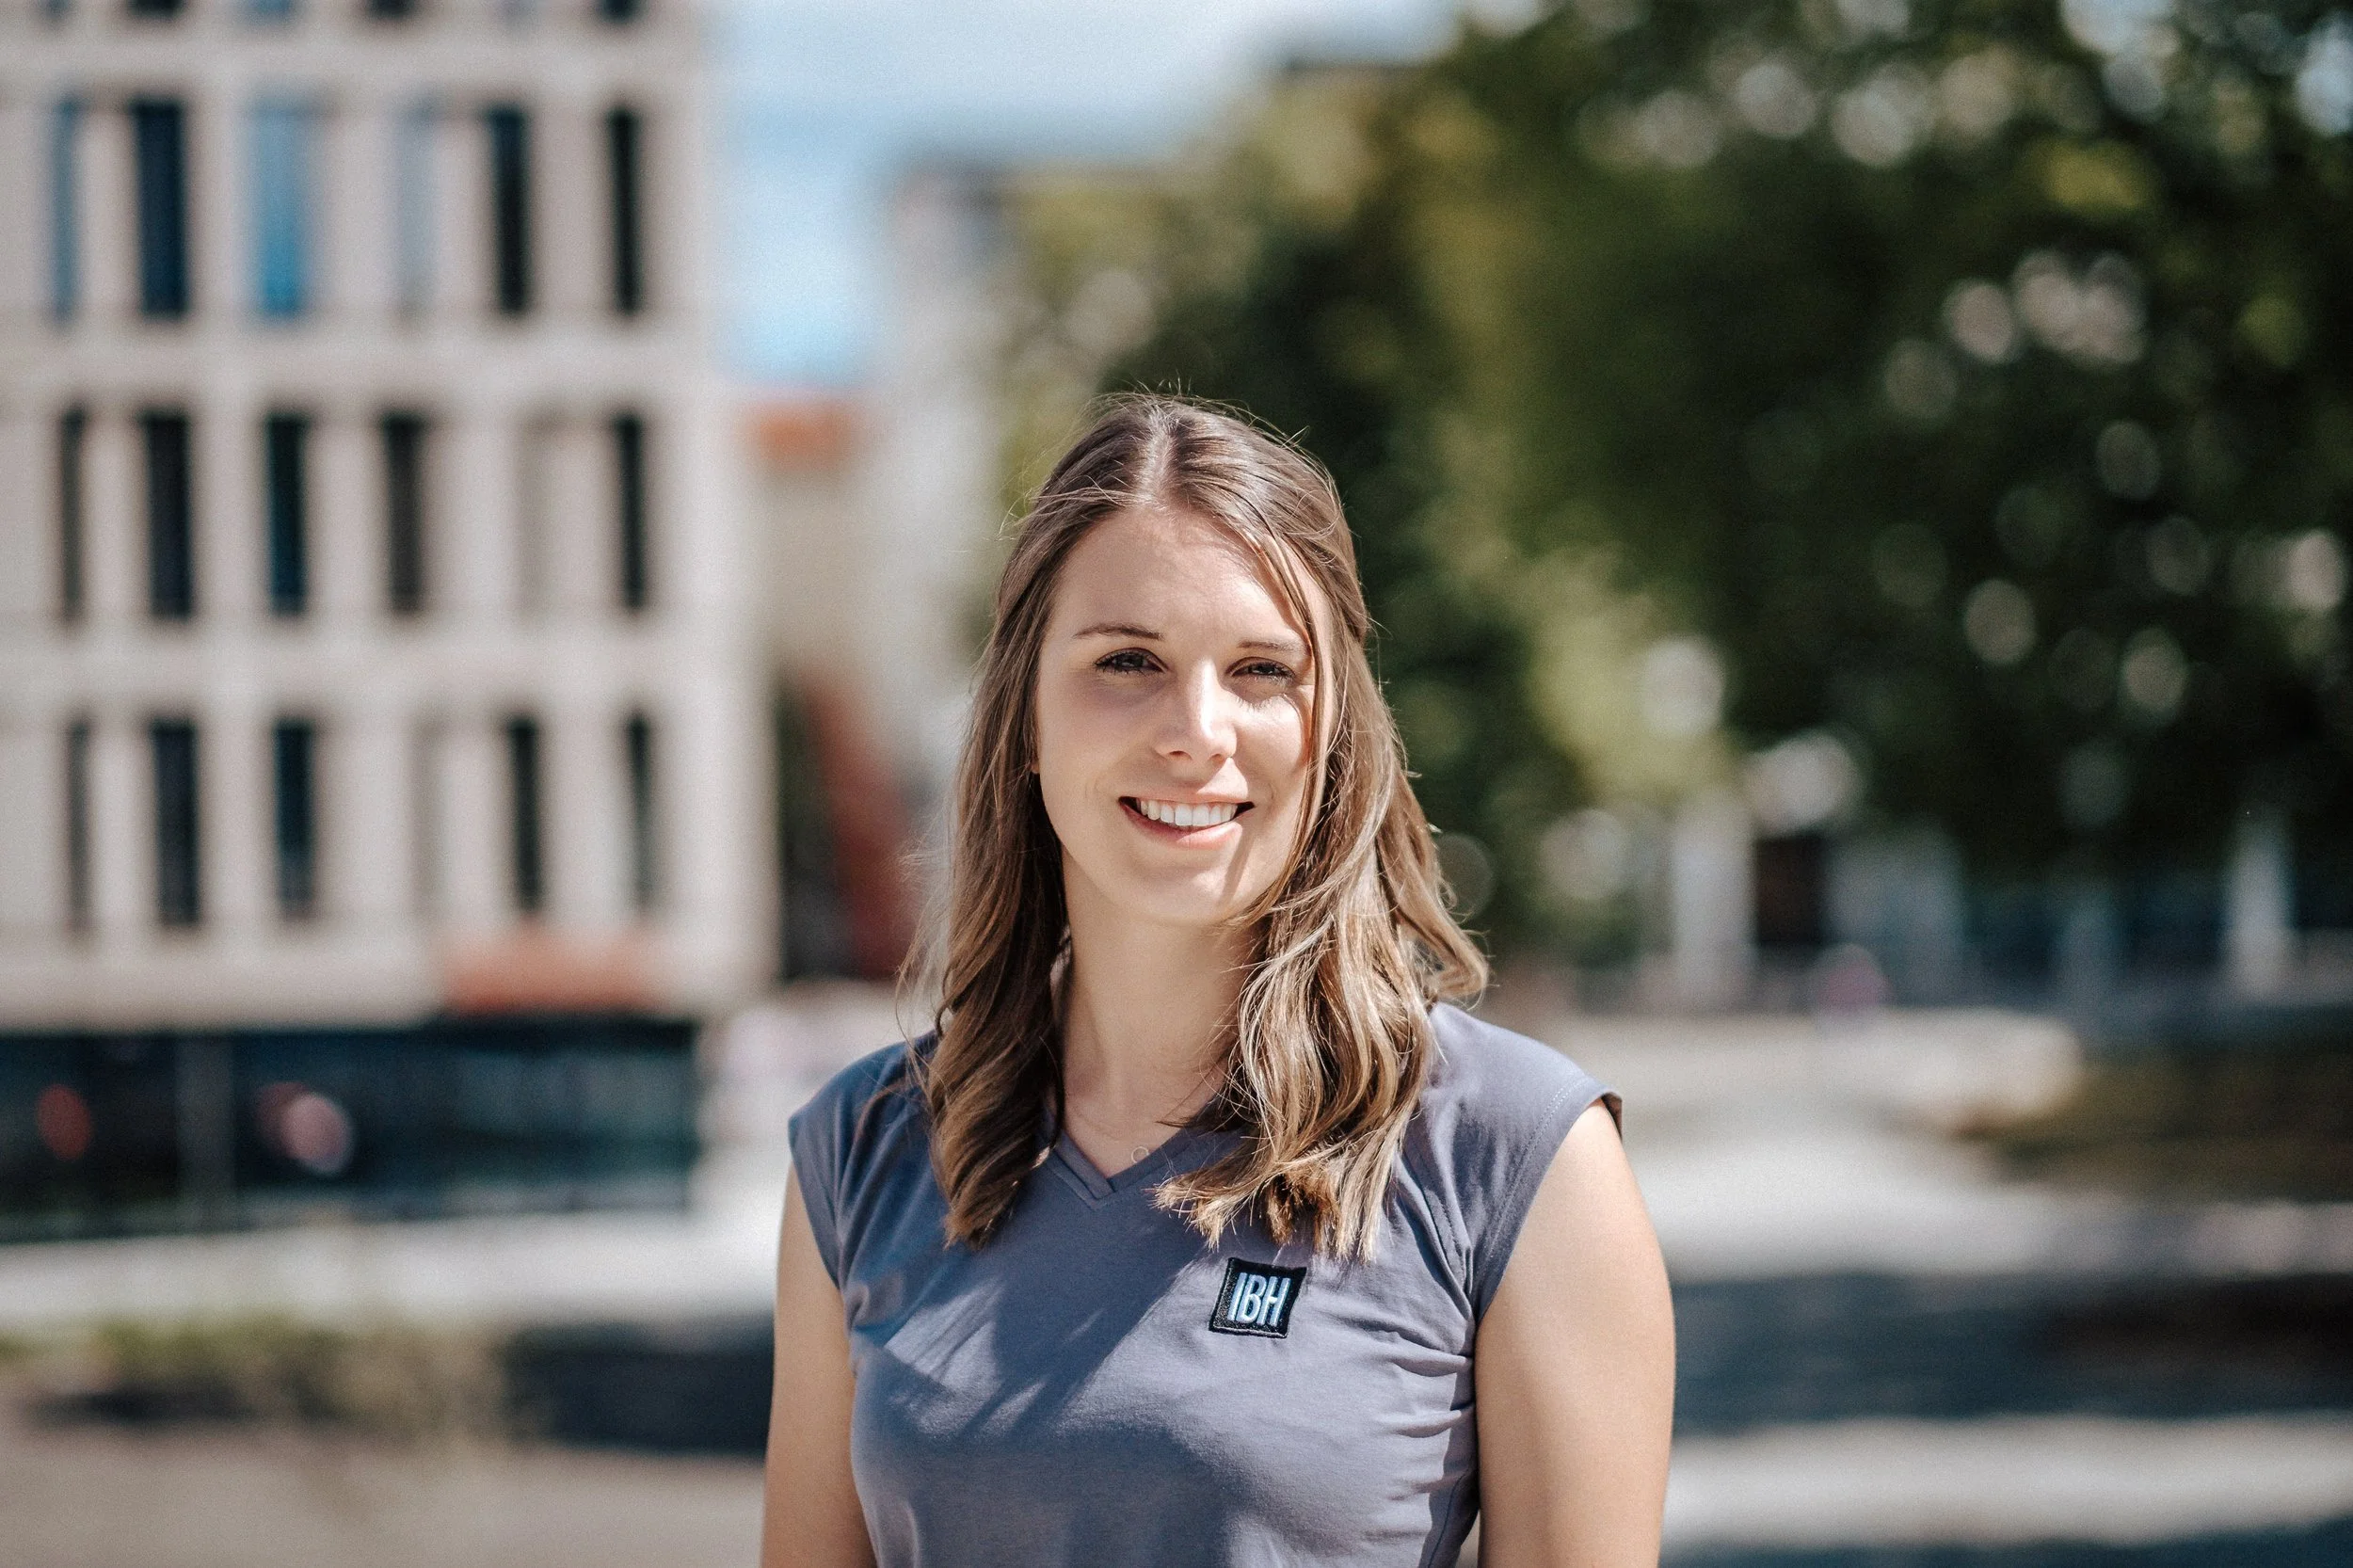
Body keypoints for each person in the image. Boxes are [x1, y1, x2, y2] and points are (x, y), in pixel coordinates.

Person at [761, 396, 1674, 1568]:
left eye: (1260, 670)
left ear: (1330, 724)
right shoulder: (860, 1153)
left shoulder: (1514, 1161)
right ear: (1025, 717)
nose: (1197, 731)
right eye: (1127, 661)